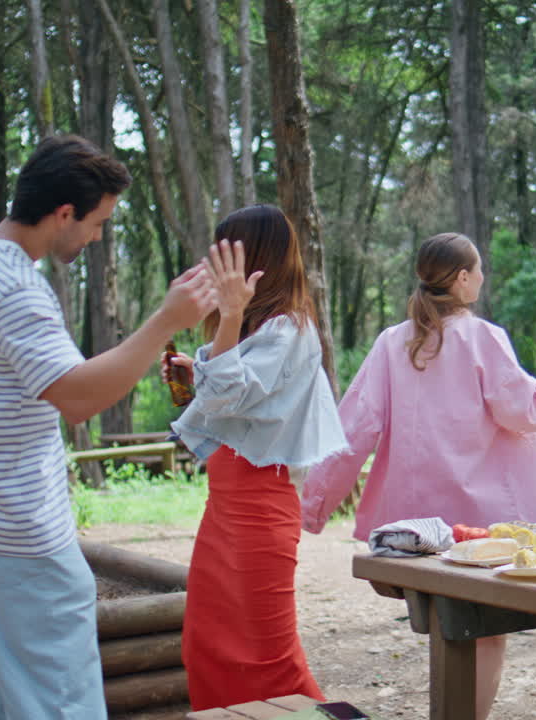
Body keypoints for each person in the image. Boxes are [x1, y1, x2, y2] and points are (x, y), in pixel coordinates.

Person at [0, 134, 217, 720]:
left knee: (0, 686)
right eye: (97, 221)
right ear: (63, 213)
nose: (98, 235)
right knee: (58, 696)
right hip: (15, 524)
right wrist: (165, 322)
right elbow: (80, 397)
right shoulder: (16, 290)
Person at [300, 232, 536, 720]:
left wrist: (312, 507)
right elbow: (531, 410)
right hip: (485, 529)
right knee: (482, 632)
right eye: (478, 270)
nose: (483, 278)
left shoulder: (392, 342)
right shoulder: (481, 336)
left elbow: (352, 429)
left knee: (449, 627)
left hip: (417, 530)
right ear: (462, 279)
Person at [166, 204, 348, 711]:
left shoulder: (290, 327)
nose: (217, 267)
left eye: (228, 255)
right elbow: (232, 405)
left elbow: (229, 395)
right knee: (206, 644)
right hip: (222, 507)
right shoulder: (257, 327)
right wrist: (192, 377)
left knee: (269, 658)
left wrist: (226, 319)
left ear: (258, 259)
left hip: (261, 508)